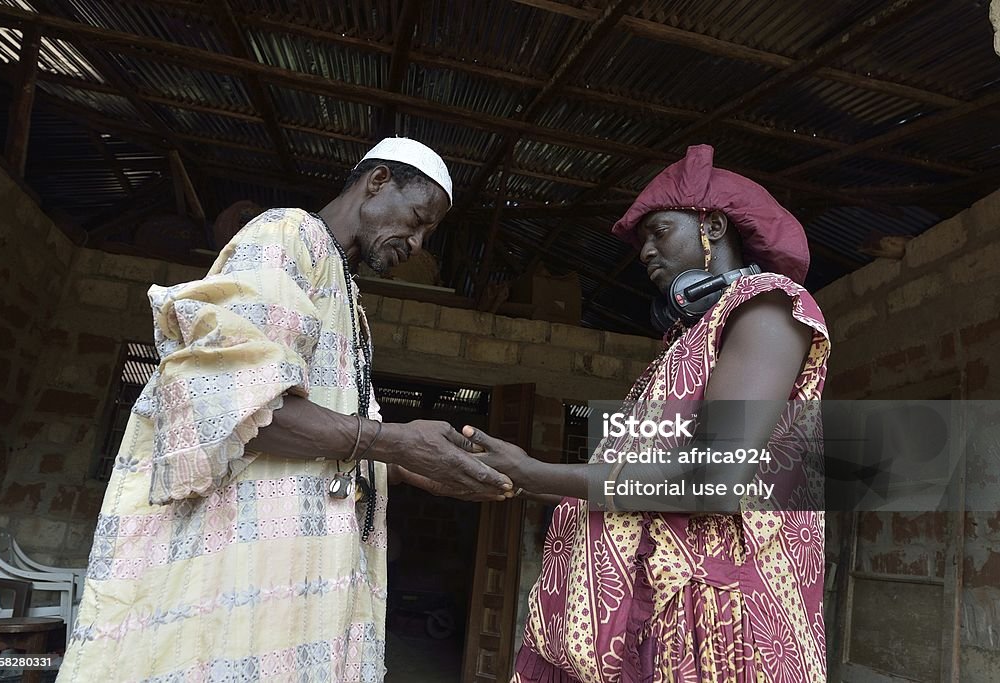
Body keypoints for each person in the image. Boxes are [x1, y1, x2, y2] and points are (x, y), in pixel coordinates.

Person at [57, 138, 511, 682]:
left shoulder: (344, 291)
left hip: (290, 584)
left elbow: (328, 439)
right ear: (378, 180)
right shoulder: (286, 236)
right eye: (417, 220)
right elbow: (235, 406)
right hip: (237, 578)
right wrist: (394, 441)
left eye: (425, 234)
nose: (416, 243)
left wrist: (412, 464)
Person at [465, 144, 830, 682]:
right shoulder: (686, 338)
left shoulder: (769, 307)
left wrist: (536, 473)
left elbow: (716, 478)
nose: (645, 253)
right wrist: (524, 479)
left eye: (659, 232)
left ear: (711, 224)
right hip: (651, 605)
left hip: (715, 619)